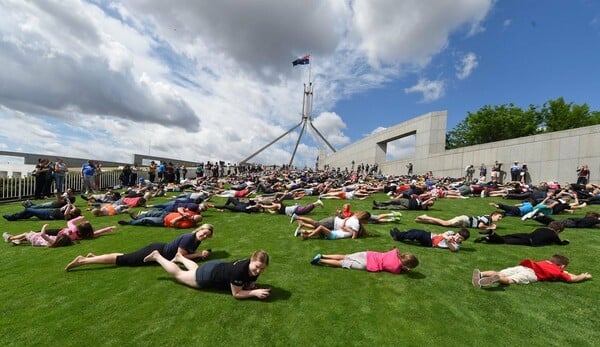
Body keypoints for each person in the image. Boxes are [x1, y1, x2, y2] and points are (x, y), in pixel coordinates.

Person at [64, 224, 214, 271]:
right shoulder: (189, 237)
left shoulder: (195, 240)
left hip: (159, 250)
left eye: (207, 236)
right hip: (157, 251)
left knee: (126, 256)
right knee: (123, 260)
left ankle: (93, 257)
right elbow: (179, 257)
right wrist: (199, 254)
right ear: (199, 229)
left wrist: (200, 254)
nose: (204, 236)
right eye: (204, 233)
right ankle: (82, 260)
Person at [142, 249, 271, 300]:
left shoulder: (251, 265)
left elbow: (251, 279)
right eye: (257, 267)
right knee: (179, 274)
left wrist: (252, 285)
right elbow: (236, 294)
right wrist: (254, 293)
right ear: (251, 260)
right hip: (207, 275)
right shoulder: (239, 272)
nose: (259, 271)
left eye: (262, 269)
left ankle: (180, 257)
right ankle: (157, 256)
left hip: (216, 265)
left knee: (195, 270)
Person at [472, 254, 592, 288]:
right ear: (561, 266)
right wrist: (583, 276)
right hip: (532, 274)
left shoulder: (545, 262)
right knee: (509, 280)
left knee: (500, 272)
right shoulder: (558, 271)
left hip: (525, 267)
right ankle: (497, 279)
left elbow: (565, 273)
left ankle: (481, 274)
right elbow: (572, 279)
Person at [310, 247, 419, 274]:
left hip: (367, 254)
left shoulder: (394, 252)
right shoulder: (396, 269)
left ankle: (323, 255)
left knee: (345, 256)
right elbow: (398, 268)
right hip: (367, 264)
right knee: (342, 263)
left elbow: (396, 252)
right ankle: (321, 261)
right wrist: (404, 269)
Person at [474, 221, 569, 246]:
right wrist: (566, 242)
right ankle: (491, 233)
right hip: (529, 241)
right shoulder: (553, 235)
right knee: (505, 241)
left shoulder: (542, 228)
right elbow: (559, 243)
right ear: (558, 231)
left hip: (526, 235)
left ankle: (487, 238)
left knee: (506, 237)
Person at [299, 211, 371, 240]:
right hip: (334, 230)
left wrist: (345, 219)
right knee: (317, 226)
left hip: (334, 232)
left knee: (319, 227)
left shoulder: (354, 220)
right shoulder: (354, 226)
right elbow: (353, 235)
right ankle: (304, 231)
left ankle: (306, 234)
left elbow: (344, 227)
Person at [389, 228, 470, 252]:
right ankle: (400, 234)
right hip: (431, 235)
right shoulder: (451, 233)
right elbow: (443, 234)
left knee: (418, 234)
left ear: (463, 240)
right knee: (415, 231)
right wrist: (447, 237)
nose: (457, 238)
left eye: (460, 238)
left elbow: (453, 249)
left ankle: (398, 236)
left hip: (431, 242)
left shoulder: (457, 245)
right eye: (458, 235)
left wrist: (449, 241)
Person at [117, 206, 202, 228]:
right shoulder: (190, 213)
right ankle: (136, 218)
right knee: (150, 212)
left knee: (146, 220)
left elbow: (173, 223)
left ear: (195, 222)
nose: (191, 217)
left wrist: (182, 217)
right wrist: (183, 213)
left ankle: (129, 223)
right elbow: (180, 208)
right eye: (192, 216)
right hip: (166, 213)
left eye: (192, 219)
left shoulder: (188, 224)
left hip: (163, 221)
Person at [415, 212, 503, 231]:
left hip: (464, 223)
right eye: (499, 217)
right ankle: (425, 217)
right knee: (445, 223)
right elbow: (480, 226)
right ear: (494, 214)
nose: (499, 219)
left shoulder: (489, 220)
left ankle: (421, 220)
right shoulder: (488, 218)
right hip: (464, 220)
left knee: (444, 224)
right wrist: (490, 227)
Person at [3, 224, 73, 247]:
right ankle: (18, 241)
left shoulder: (52, 241)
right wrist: (68, 234)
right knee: (27, 236)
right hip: (37, 240)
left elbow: (43, 234)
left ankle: (10, 238)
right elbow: (65, 238)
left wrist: (44, 227)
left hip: (36, 239)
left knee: (25, 234)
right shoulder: (57, 242)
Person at [3, 201, 81, 221]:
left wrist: (69, 205)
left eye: (72, 210)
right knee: (30, 213)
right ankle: (17, 217)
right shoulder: (72, 213)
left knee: (28, 209)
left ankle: (12, 217)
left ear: (73, 213)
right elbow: (65, 208)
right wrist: (70, 205)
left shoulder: (69, 216)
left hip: (47, 215)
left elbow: (66, 213)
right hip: (49, 211)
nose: (71, 210)